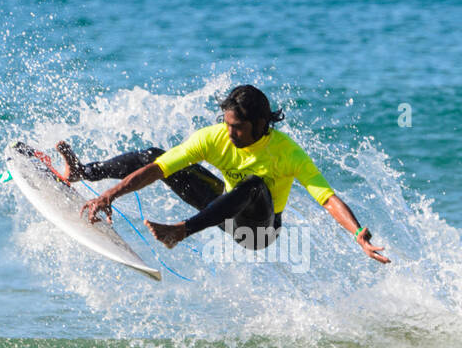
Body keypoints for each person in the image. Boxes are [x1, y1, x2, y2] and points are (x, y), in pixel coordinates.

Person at [58, 85, 390, 263]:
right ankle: (81, 172)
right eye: (227, 124)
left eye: (239, 128)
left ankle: (181, 232)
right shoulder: (215, 136)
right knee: (153, 155)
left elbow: (326, 197)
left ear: (262, 124)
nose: (230, 134)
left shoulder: (287, 152)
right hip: (222, 207)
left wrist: (358, 233)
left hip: (258, 231)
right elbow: (158, 170)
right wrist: (109, 195)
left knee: (254, 184)